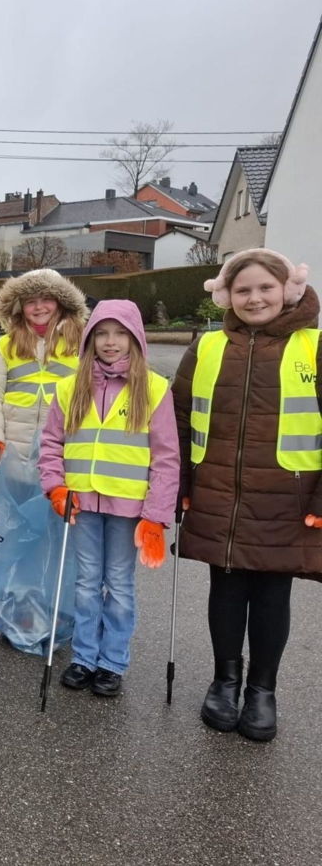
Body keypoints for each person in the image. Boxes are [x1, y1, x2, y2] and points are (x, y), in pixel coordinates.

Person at [172, 249, 322, 741]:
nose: (254, 298)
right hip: (218, 492)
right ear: (226, 296)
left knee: (274, 592)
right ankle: (224, 680)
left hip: (288, 499)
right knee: (227, 589)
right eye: (243, 290)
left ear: (288, 290)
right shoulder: (208, 346)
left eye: (265, 287)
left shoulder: (314, 346)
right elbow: (176, 419)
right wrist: (180, 487)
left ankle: (262, 690)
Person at [39, 300, 179, 698]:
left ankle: (112, 661)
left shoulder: (153, 388)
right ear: (89, 339)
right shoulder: (70, 387)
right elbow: (50, 443)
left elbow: (167, 457)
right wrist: (56, 486)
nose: (110, 342)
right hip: (81, 502)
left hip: (128, 508)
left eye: (120, 333)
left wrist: (155, 515)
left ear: (135, 338)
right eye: (101, 333)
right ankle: (84, 657)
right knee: (85, 582)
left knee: (118, 583)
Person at [0, 268, 89, 466]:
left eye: (46, 298)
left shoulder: (80, 342)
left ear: (61, 302)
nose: (39, 307)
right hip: (14, 450)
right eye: (30, 301)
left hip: (63, 447)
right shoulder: (6, 344)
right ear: (20, 307)